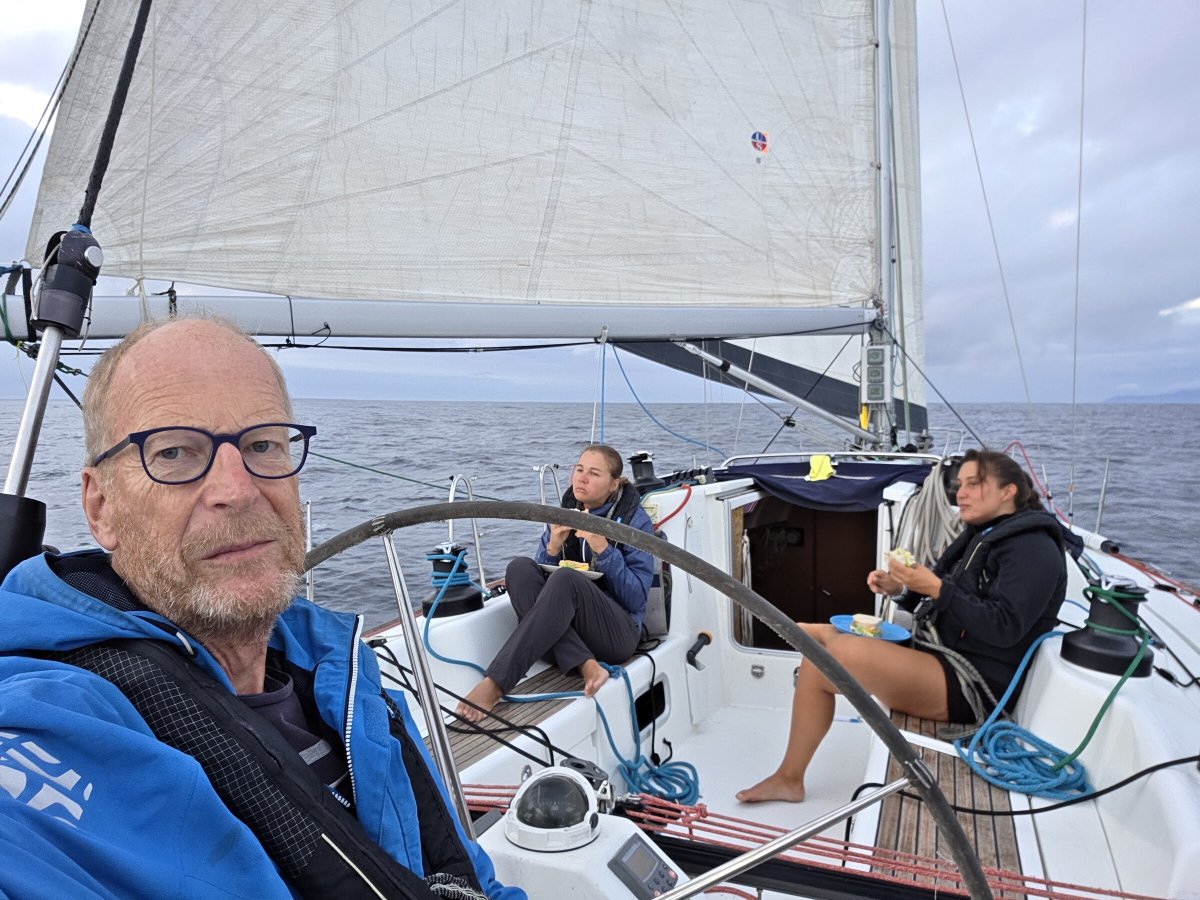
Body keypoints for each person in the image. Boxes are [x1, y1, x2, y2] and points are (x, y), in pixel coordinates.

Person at [0, 318, 524, 899]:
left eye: (263, 444)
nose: (239, 488)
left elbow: (474, 881)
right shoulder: (45, 718)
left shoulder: (349, 682)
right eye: (174, 452)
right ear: (101, 507)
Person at [737, 448, 1068, 804]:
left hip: (973, 686)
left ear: (1009, 491)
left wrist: (935, 587)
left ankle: (789, 778)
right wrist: (904, 589)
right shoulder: (982, 534)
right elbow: (945, 597)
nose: (961, 493)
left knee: (836, 652)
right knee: (813, 634)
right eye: (960, 485)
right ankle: (789, 778)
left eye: (975, 484)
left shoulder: (1033, 549)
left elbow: (1004, 627)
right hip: (940, 653)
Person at [455, 445, 654, 723]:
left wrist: (604, 550)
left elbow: (636, 600)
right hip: (570, 632)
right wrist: (552, 548)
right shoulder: (566, 512)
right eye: (579, 469)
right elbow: (536, 587)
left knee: (565, 578)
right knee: (519, 568)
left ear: (613, 485)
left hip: (617, 636)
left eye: (594, 473)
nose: (581, 478)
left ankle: (497, 682)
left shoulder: (635, 522)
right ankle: (586, 664)